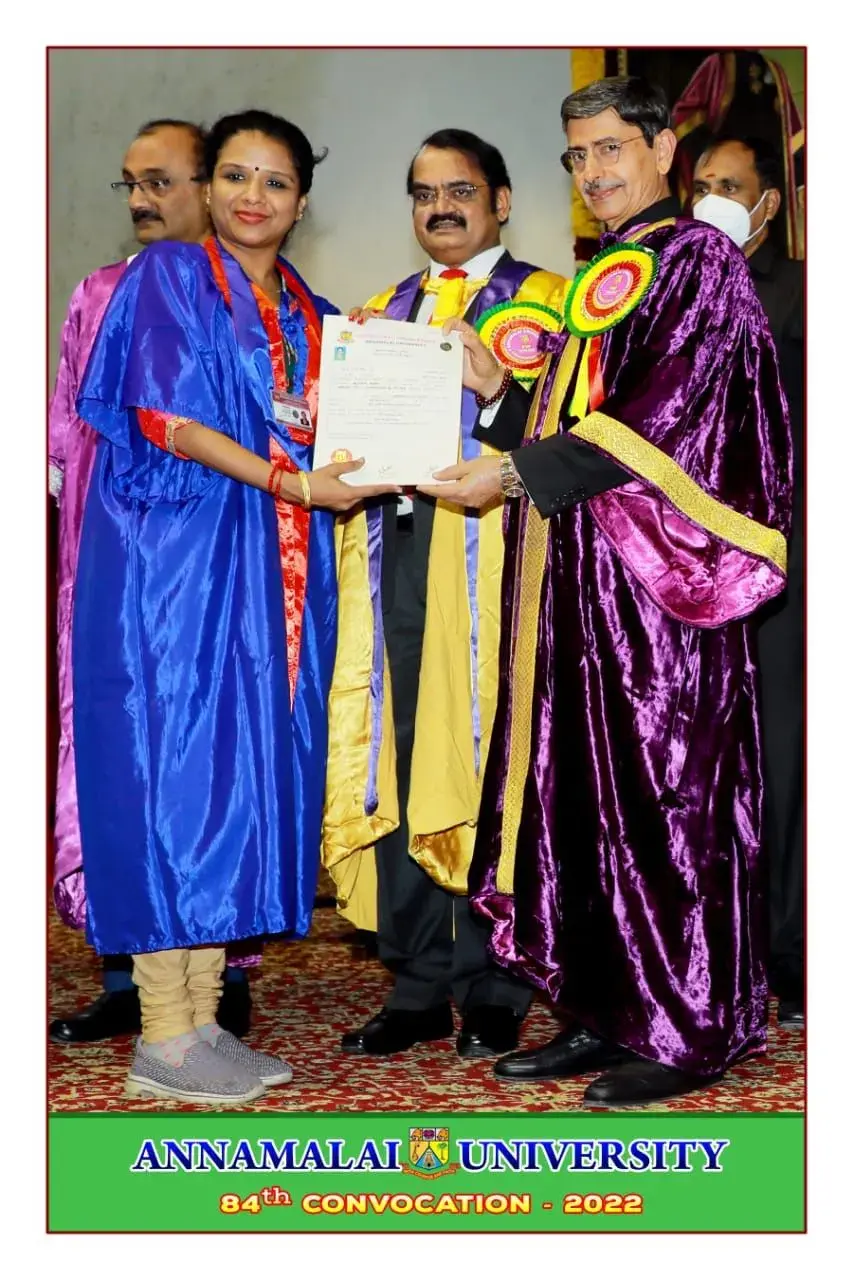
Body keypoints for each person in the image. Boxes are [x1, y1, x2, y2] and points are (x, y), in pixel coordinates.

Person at [418, 77, 792, 1105]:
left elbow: (657, 416)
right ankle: (603, 1009)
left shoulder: (697, 261)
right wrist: (500, 398)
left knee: (664, 803)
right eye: (577, 157)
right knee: (582, 800)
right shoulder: (609, 274)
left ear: (663, 148)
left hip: (656, 593)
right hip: (574, 586)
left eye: (612, 150)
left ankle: (684, 1026)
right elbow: (565, 420)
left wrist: (512, 473)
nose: (594, 172)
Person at [72, 108, 393, 1104]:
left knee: (237, 785)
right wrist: (290, 482)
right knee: (174, 776)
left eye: (278, 181)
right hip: (174, 564)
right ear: (207, 187)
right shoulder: (166, 279)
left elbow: (337, 422)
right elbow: (166, 419)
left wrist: (382, 377)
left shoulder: (308, 306)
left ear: (302, 200)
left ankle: (203, 1018)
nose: (256, 196)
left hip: (270, 570)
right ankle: (162, 1031)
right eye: (237, 176)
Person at [324, 129, 567, 1058]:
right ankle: (419, 979)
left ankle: (498, 979)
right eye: (423, 191)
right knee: (404, 752)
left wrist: (501, 392)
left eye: (460, 188)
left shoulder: (557, 303)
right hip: (403, 556)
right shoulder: (380, 313)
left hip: (510, 571)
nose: (441, 206)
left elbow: (579, 433)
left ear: (502, 199)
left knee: (497, 763)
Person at [49, 119, 258, 1047]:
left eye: (162, 181)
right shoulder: (99, 294)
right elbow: (64, 440)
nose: (141, 199)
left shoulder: (248, 298)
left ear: (210, 188)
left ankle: (222, 974)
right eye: (129, 182)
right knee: (117, 750)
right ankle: (127, 971)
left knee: (217, 752)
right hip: (110, 554)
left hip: (218, 554)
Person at [693, 135, 804, 1028]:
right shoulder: (660, 290)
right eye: (700, 186)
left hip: (773, 564)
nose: (712, 201)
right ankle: (709, 946)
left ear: (766, 206)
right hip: (676, 567)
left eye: (730, 189)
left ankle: (788, 949)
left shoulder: (801, 294)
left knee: (779, 757)